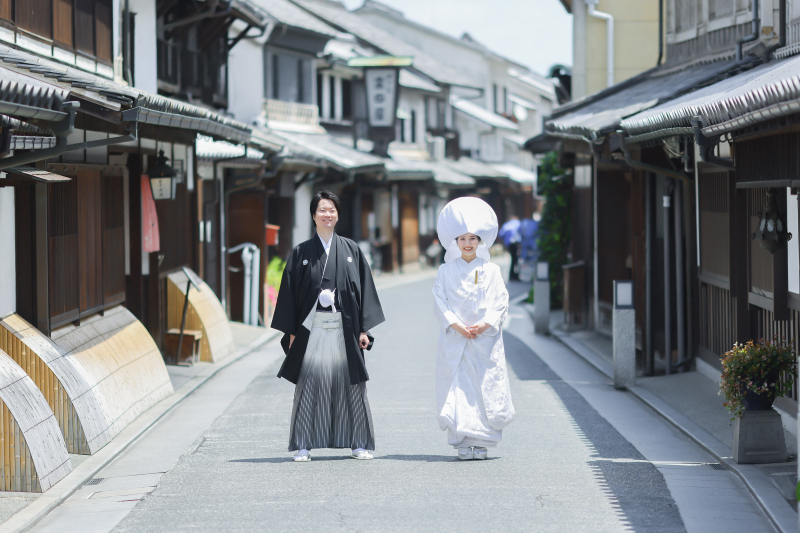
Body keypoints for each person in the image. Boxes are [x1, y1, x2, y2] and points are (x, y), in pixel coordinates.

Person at [271, 190, 385, 462]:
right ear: (313, 215)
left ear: (337, 215)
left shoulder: (351, 250)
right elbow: (289, 294)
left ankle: (358, 443)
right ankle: (303, 444)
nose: (327, 214)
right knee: (309, 383)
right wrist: (291, 332)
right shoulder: (301, 253)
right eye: (322, 210)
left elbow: (364, 291)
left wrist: (363, 330)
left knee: (352, 385)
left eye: (332, 210)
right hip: (312, 328)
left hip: (345, 326)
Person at [432, 197, 515, 460]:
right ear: (455, 242)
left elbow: (500, 301)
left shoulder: (491, 270)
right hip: (456, 338)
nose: (467, 244)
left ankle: (482, 442)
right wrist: (456, 325)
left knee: (482, 388)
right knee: (459, 389)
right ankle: (462, 442)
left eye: (473, 238)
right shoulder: (445, 271)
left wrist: (484, 324)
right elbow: (439, 300)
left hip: (484, 339)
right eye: (462, 239)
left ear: (480, 242)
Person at [499, 215, 522, 281]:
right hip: (515, 242)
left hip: (509, 244)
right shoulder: (518, 223)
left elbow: (501, 234)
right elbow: (521, 232)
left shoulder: (506, 225)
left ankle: (512, 274)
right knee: (515, 259)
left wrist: (505, 240)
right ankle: (514, 275)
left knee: (513, 258)